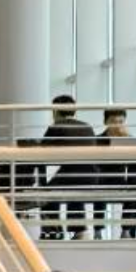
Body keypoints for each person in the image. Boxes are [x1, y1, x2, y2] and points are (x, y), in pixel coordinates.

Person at [40, 95, 99, 239]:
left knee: (46, 195)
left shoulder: (57, 126)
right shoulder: (86, 126)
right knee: (74, 194)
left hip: (73, 173)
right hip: (92, 175)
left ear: (55, 110)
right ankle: (79, 231)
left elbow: (41, 150)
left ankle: (54, 232)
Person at [92, 109, 136, 239]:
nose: (117, 125)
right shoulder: (97, 140)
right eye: (113, 122)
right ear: (106, 122)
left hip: (120, 180)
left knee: (135, 184)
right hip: (101, 180)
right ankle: (98, 230)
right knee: (99, 185)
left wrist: (128, 138)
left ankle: (127, 230)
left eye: (121, 122)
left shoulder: (127, 139)